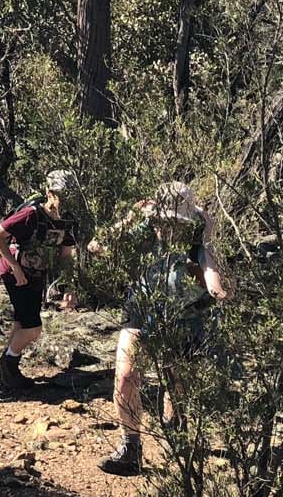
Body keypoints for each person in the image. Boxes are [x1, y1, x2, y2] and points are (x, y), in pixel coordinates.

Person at [90, 182, 232, 476]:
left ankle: (176, 429)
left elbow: (209, 262)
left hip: (183, 315)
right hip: (142, 308)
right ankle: (130, 447)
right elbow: (98, 247)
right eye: (162, 221)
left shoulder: (198, 231)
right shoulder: (141, 228)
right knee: (126, 376)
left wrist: (216, 285)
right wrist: (130, 217)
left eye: (174, 222)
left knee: (175, 382)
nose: (167, 228)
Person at [0, 170, 81, 392]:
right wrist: (15, 266)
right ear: (49, 193)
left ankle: (8, 370)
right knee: (33, 329)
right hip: (16, 274)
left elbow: (66, 255)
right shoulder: (31, 215)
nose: (64, 200)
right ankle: (8, 364)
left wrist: (68, 286)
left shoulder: (67, 221)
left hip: (36, 274)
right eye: (60, 194)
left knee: (22, 322)